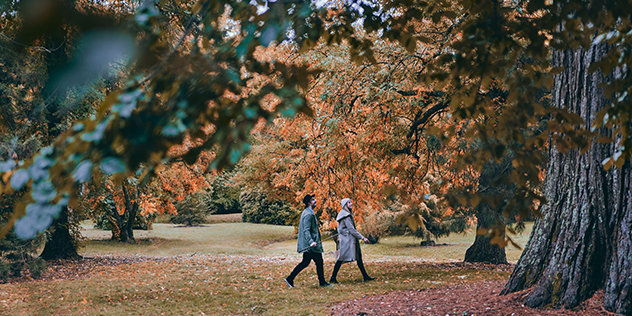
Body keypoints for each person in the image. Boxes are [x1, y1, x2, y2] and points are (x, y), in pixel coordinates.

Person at [284, 194, 332, 287]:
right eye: (313, 200)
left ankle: (290, 279)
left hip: (310, 245)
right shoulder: (308, 214)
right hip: (310, 245)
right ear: (309, 202)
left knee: (306, 262)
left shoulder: (308, 212)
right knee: (318, 262)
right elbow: (306, 230)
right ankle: (322, 282)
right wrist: (311, 242)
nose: (315, 201)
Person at [329, 198, 375, 283]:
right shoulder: (345, 215)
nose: (351, 204)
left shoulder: (345, 214)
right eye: (349, 203)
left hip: (349, 239)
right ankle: (333, 278)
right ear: (345, 205)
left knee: (359, 257)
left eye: (351, 202)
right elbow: (352, 229)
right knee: (341, 258)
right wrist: (362, 238)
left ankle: (365, 276)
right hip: (347, 241)